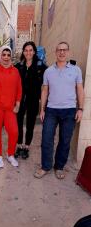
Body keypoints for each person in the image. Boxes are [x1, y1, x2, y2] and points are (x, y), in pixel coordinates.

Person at [34, 41, 84, 179]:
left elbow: (80, 90)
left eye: (64, 50)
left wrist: (80, 109)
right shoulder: (49, 71)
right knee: (47, 139)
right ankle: (45, 166)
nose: (62, 52)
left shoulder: (76, 70)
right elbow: (45, 90)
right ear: (55, 52)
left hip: (69, 111)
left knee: (65, 140)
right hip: (51, 110)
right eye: (59, 50)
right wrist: (42, 109)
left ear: (68, 52)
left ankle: (59, 167)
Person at [15, 41, 47, 159]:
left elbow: (46, 85)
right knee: (18, 123)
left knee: (30, 124)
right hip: (19, 100)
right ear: (23, 52)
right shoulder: (18, 66)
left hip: (33, 100)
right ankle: (19, 145)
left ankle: (26, 147)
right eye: (26, 50)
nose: (28, 52)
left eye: (30, 50)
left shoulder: (41, 67)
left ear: (34, 52)